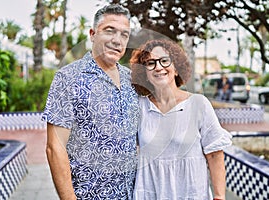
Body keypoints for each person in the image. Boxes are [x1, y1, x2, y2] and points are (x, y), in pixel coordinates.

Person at [42, 4, 139, 199]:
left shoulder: (132, 80)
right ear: (93, 34)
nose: (117, 40)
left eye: (124, 34)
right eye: (109, 31)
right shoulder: (68, 78)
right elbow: (55, 148)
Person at [130, 39, 232, 200]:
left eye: (164, 61)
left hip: (191, 193)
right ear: (145, 74)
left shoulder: (198, 104)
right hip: (150, 193)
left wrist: (219, 196)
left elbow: (214, 154)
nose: (158, 67)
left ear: (176, 69)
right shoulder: (139, 107)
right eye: (150, 63)